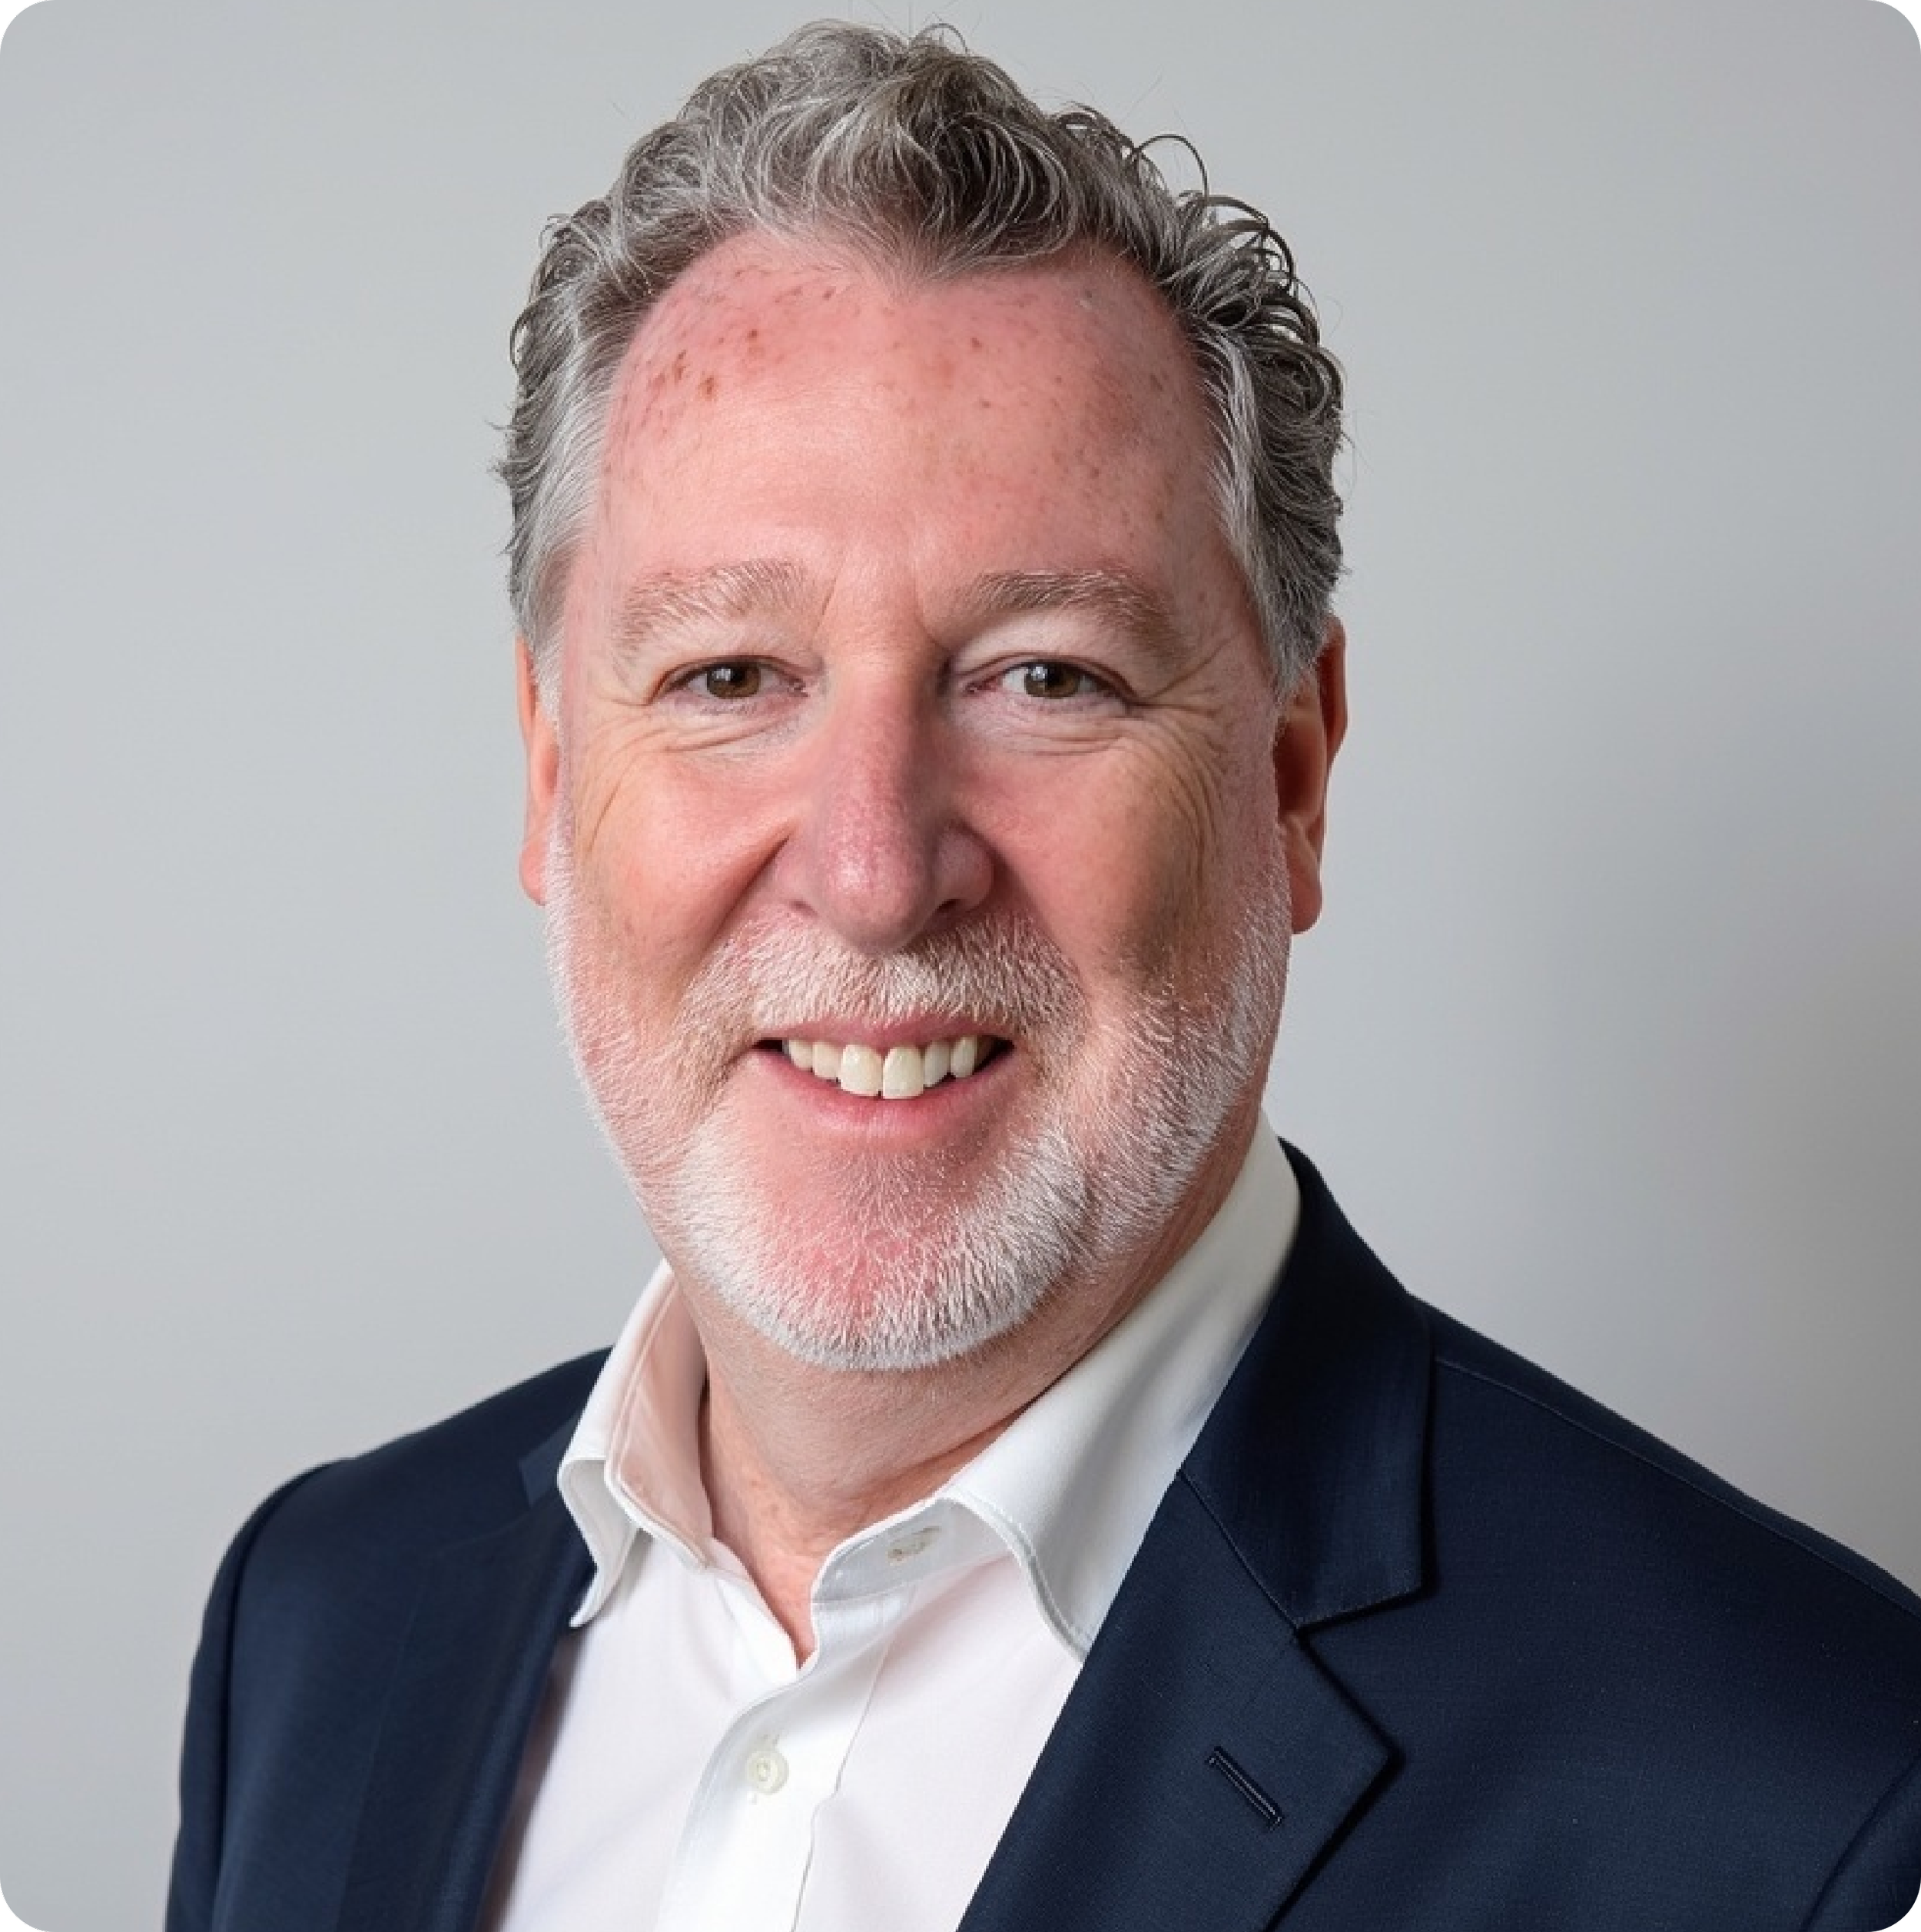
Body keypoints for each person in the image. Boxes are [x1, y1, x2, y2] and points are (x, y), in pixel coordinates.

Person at [164, 21, 1921, 1930]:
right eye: (729, 676)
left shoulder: (1804, 1810)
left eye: (1044, 678)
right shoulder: (320, 1624)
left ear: (1289, 777)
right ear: (548, 770)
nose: (871, 871)